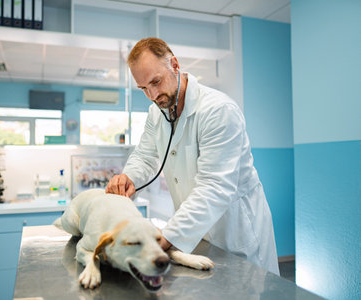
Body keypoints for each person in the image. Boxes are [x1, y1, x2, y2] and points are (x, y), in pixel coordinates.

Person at [105, 37, 279, 275]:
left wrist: (168, 236)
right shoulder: (157, 113)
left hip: (234, 231)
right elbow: (145, 156)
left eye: (156, 81)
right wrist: (129, 178)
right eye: (144, 88)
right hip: (196, 231)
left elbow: (215, 186)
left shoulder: (218, 111)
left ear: (174, 65)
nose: (153, 95)